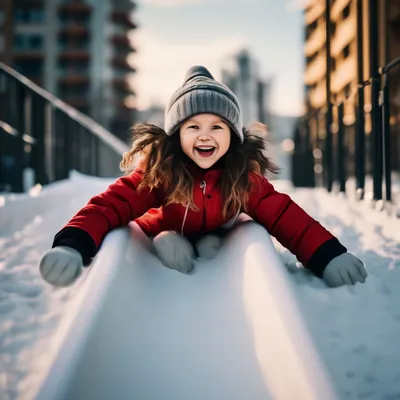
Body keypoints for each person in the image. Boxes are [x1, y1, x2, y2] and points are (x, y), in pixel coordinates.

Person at [39, 66, 367, 288]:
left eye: (217, 127)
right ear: (176, 134)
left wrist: (328, 255)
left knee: (218, 236)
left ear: (233, 134)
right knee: (166, 231)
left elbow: (283, 214)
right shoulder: (161, 171)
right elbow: (112, 204)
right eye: (193, 127)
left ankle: (207, 244)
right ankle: (169, 239)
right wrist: (73, 245)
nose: (205, 136)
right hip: (166, 225)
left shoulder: (239, 175)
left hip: (216, 227)